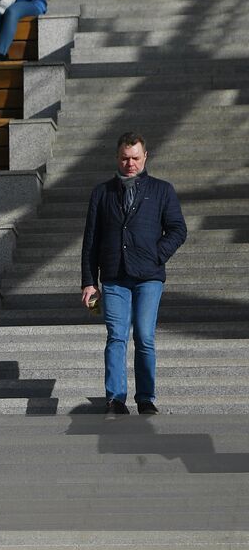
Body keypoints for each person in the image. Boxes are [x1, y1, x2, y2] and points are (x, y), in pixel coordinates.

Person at [81, 133, 187, 415]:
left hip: (149, 276)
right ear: (118, 158)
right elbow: (91, 240)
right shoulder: (102, 193)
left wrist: (157, 254)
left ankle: (145, 398)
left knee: (144, 335)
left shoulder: (162, 190)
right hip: (114, 276)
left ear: (145, 157)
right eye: (125, 158)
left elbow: (178, 229)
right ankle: (115, 398)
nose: (130, 163)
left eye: (135, 158)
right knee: (116, 336)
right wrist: (89, 282)